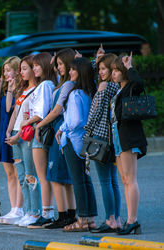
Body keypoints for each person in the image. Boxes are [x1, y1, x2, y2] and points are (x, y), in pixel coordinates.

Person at [35, 48, 76, 229]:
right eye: (56, 64)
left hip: (61, 132)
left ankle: (63, 215)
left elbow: (57, 110)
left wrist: (40, 124)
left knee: (57, 176)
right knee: (62, 177)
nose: (58, 68)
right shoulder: (62, 83)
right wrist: (52, 62)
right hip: (61, 132)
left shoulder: (68, 84)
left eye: (60, 64)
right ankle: (69, 214)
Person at [55, 57, 98, 232]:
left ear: (80, 73)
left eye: (73, 70)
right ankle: (90, 218)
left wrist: (62, 128)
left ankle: (81, 220)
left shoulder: (74, 93)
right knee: (85, 179)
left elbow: (75, 120)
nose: (70, 72)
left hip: (72, 140)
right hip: (84, 140)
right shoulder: (89, 91)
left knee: (77, 180)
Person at [84, 52, 122, 233]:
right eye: (99, 69)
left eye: (103, 69)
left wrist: (87, 130)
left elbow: (95, 113)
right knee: (113, 181)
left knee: (105, 181)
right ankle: (117, 219)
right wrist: (97, 59)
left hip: (99, 137)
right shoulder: (117, 86)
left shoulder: (104, 86)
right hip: (112, 138)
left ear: (110, 69)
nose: (100, 72)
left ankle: (109, 220)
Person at [110, 53, 147, 235]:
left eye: (117, 70)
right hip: (117, 135)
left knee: (130, 179)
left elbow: (139, 84)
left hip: (128, 136)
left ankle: (133, 220)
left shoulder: (131, 87)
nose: (113, 74)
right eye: (113, 70)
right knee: (124, 179)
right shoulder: (118, 90)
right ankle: (130, 219)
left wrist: (129, 67)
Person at [20, 52, 56, 229]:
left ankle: (47, 213)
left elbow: (41, 112)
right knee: (41, 175)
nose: (34, 68)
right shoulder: (45, 84)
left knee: (42, 176)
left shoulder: (46, 85)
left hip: (39, 131)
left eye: (36, 65)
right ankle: (46, 212)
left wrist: (27, 121)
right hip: (38, 130)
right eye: (32, 66)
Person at [6, 55, 41, 227]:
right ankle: (27, 210)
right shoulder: (23, 90)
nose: (22, 72)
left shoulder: (37, 90)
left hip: (25, 135)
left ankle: (35, 212)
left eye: (25, 68)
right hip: (14, 134)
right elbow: (14, 112)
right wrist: (8, 131)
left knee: (30, 174)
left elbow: (31, 117)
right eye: (21, 69)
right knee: (21, 176)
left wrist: (17, 134)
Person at [0, 56, 24, 224]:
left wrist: (11, 90)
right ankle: (13, 208)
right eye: (4, 70)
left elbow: (9, 108)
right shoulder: (7, 88)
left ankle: (19, 208)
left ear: (16, 70)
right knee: (9, 174)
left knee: (19, 172)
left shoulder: (19, 88)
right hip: (3, 132)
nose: (5, 73)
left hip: (14, 133)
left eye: (8, 70)